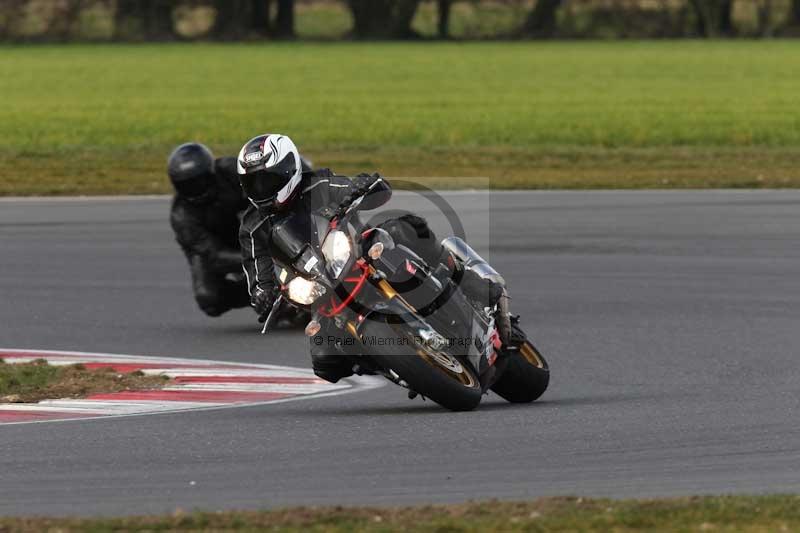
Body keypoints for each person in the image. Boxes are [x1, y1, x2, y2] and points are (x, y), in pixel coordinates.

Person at [237, 134, 504, 383]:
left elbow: (364, 187)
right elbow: (257, 273)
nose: (261, 190)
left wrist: (363, 187)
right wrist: (263, 295)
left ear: (289, 170)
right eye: (253, 183)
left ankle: (472, 283)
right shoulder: (252, 229)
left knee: (405, 227)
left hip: (358, 251)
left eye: (267, 181)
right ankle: (391, 362)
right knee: (325, 362)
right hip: (320, 284)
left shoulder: (317, 183)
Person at [168, 142, 252, 317]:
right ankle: (256, 295)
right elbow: (214, 255)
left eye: (198, 181)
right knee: (208, 298)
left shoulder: (230, 170)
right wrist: (260, 259)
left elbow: (266, 185)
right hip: (212, 248)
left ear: (211, 173)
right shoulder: (182, 216)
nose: (194, 189)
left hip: (248, 225)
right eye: (187, 185)